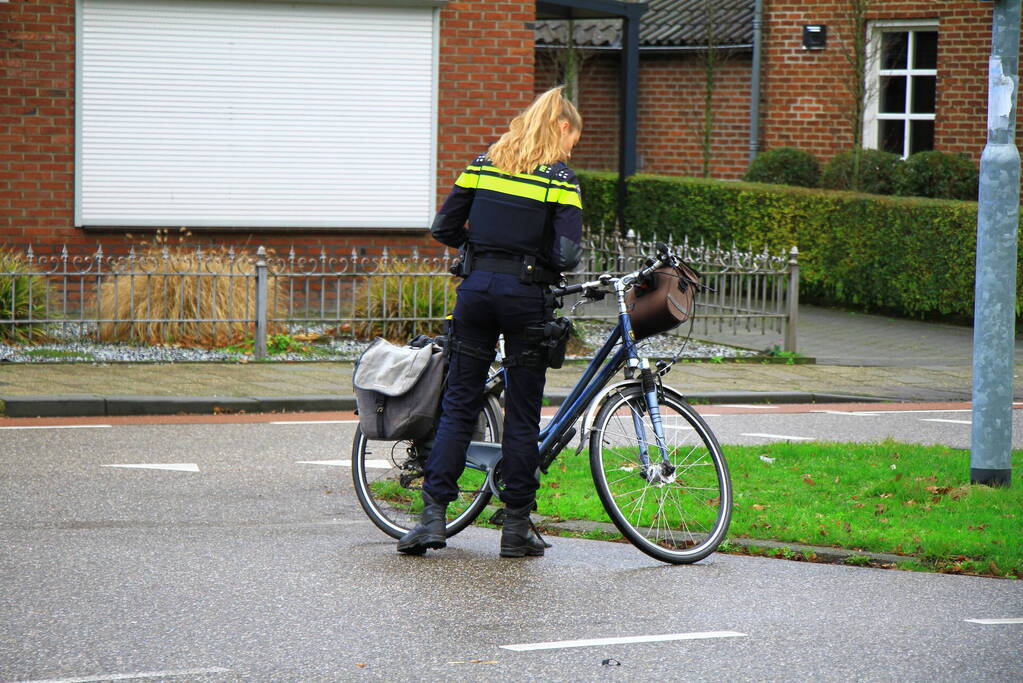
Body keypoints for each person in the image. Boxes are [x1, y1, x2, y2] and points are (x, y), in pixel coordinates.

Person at [397, 86, 583, 558]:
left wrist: (479, 249)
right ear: (561, 127)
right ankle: (515, 528)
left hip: (476, 293)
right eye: (572, 139)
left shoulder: (483, 164)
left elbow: (443, 228)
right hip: (525, 300)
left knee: (460, 403)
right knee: (522, 413)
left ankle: (432, 519)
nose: (570, 149)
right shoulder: (558, 179)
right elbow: (566, 254)